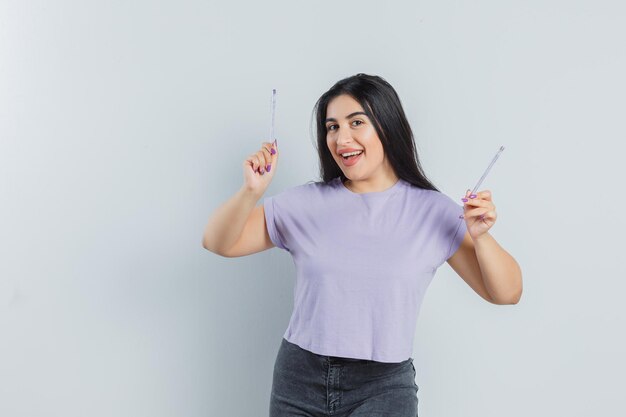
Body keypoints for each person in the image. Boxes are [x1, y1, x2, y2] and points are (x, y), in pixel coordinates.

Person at [202, 73, 523, 417]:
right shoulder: (305, 204)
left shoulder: (434, 212)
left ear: (387, 125)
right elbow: (218, 242)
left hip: (383, 386)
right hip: (300, 377)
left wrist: (482, 237)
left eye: (357, 122)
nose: (342, 138)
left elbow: (506, 293)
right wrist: (251, 191)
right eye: (332, 127)